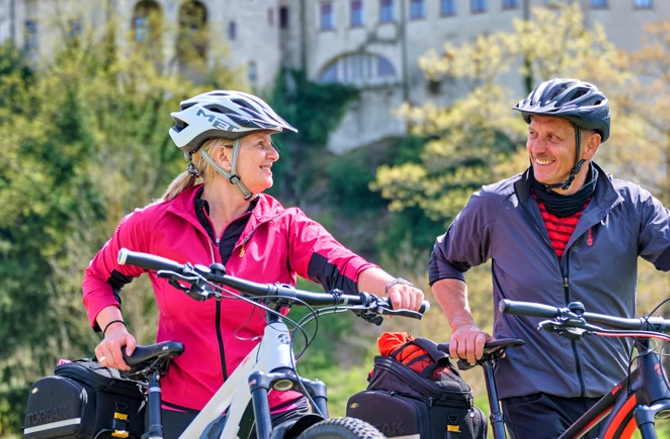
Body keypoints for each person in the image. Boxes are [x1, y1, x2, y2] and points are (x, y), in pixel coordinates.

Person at [429, 78, 670, 439]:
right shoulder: (496, 206)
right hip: (530, 392)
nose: (537, 147)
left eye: (553, 137)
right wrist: (463, 325)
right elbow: (444, 260)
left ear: (590, 145)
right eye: (533, 134)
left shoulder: (630, 206)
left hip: (610, 392)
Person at [84, 90, 426, 438]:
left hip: (275, 404)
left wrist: (391, 286)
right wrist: (115, 330)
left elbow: (343, 264)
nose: (273, 154)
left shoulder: (285, 226)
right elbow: (98, 277)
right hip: (185, 410)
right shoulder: (155, 224)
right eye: (260, 144)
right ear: (223, 155)